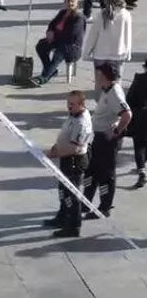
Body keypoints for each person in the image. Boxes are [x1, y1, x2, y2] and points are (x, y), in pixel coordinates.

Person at [80, 63, 132, 223]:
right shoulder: (107, 90)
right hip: (97, 138)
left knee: (106, 174)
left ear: (104, 76)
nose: (96, 77)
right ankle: (85, 202)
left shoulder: (114, 93)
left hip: (106, 140)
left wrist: (116, 131)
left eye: (98, 74)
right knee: (91, 170)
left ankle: (105, 207)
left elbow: (126, 114)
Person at [41, 91, 94, 237]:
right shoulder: (74, 115)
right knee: (63, 191)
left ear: (81, 104)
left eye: (72, 104)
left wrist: (55, 154)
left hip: (73, 161)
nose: (69, 107)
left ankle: (73, 226)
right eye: (68, 103)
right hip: (66, 157)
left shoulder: (81, 122)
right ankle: (62, 217)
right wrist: (56, 147)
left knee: (71, 194)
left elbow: (74, 148)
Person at [32, 0, 87, 85]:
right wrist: (50, 32)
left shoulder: (79, 17)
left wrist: (54, 37)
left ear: (76, 3)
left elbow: (71, 34)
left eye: (72, 1)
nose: (70, 3)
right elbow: (52, 24)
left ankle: (44, 77)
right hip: (58, 40)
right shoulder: (62, 13)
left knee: (58, 54)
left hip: (72, 46)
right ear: (65, 2)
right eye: (68, 1)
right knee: (41, 45)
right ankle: (51, 70)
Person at [83, 0, 133, 76]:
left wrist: (86, 53)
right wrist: (128, 53)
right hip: (118, 55)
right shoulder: (126, 15)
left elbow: (92, 36)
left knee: (100, 85)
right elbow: (127, 36)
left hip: (100, 55)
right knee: (116, 84)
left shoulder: (100, 15)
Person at [127, 61, 147, 189]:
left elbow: (129, 99)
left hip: (141, 116)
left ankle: (142, 171)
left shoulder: (139, 79)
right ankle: (142, 167)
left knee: (139, 145)